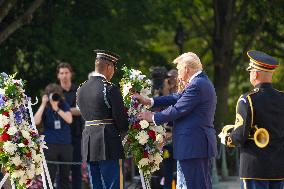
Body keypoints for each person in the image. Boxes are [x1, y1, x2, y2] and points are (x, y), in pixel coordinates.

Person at [135, 52, 217, 189]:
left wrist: (153, 117)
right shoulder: (199, 82)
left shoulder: (197, 85)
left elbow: (178, 109)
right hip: (194, 146)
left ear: (186, 68)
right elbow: (175, 98)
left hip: (194, 146)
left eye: (179, 69)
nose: (178, 74)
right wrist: (149, 101)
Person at [219, 50, 284, 189]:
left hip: (254, 168)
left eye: (250, 71)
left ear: (255, 73)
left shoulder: (247, 99)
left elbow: (240, 136)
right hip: (278, 168)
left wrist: (227, 138)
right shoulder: (282, 98)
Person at [76, 50, 129, 189]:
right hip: (108, 141)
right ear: (109, 67)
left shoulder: (81, 89)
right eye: (114, 68)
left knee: (96, 184)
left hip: (88, 141)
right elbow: (121, 121)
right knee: (113, 184)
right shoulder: (110, 89)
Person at [34, 83, 73, 189]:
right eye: (52, 95)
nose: (54, 97)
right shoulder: (45, 107)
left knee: (65, 176)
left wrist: (57, 109)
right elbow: (36, 121)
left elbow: (69, 120)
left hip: (65, 144)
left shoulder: (63, 104)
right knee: (49, 176)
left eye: (56, 94)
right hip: (50, 145)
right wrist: (43, 104)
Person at [56, 62, 84, 189]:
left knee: (76, 169)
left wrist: (63, 110)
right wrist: (71, 110)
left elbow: (82, 110)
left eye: (66, 72)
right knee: (61, 170)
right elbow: (52, 110)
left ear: (71, 74)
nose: (64, 76)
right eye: (61, 73)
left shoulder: (79, 91)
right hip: (60, 136)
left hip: (76, 134)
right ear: (58, 76)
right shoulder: (55, 92)